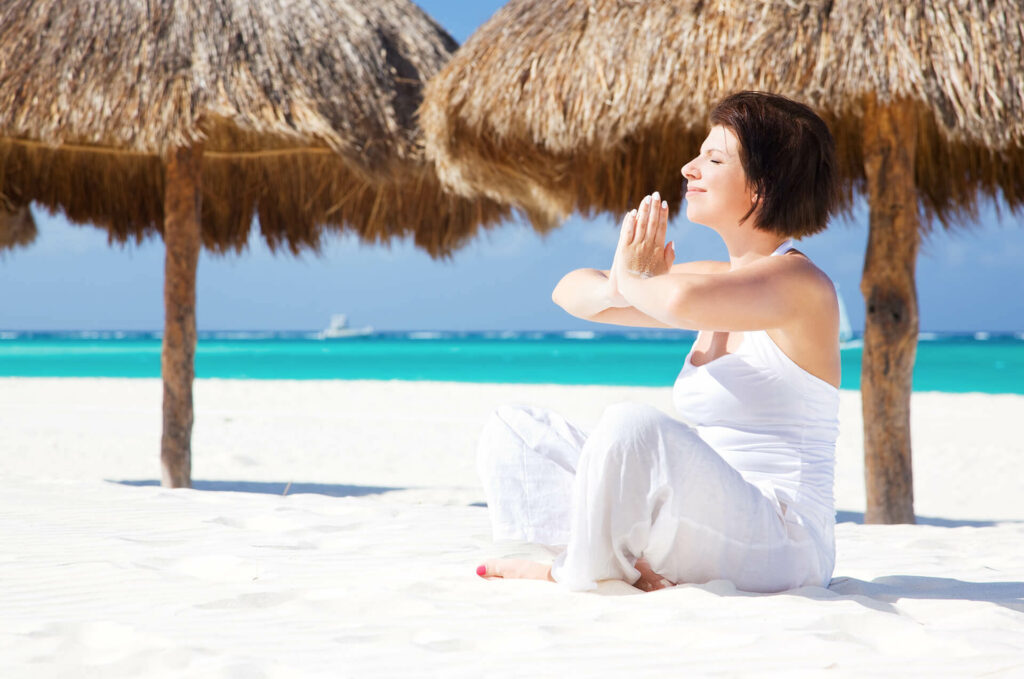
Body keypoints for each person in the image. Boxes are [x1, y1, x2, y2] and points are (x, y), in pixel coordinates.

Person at [475, 91, 842, 593]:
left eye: (714, 159)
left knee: (632, 426)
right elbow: (570, 292)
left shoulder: (801, 284)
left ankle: (574, 569)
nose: (690, 168)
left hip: (783, 541)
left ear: (763, 185)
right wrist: (618, 285)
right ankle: (605, 561)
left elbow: (678, 301)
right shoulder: (715, 279)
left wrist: (634, 279)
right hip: (704, 522)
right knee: (516, 428)